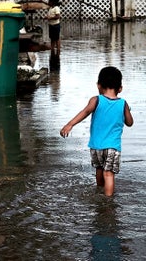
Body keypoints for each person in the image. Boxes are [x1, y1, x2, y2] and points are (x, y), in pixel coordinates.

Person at [60, 66, 134, 196]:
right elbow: (129, 123)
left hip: (96, 146)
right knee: (109, 174)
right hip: (113, 146)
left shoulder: (96, 100)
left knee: (99, 170)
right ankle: (108, 201)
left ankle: (100, 192)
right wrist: (127, 111)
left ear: (99, 85)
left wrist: (70, 124)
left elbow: (85, 112)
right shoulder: (123, 103)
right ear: (120, 88)